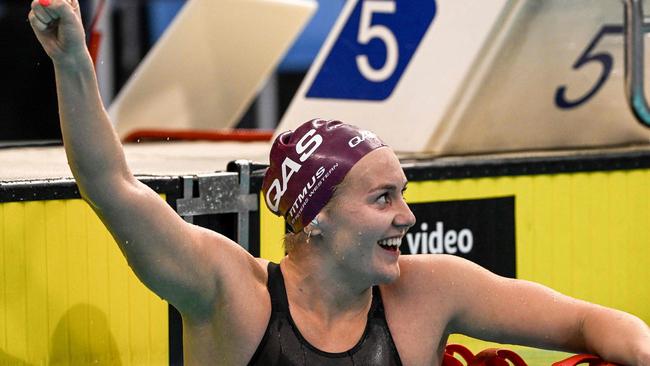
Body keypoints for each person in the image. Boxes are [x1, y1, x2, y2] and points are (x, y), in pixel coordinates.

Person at [28, 1, 650, 365]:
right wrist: (73, 62)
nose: (407, 216)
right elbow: (111, 185)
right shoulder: (233, 298)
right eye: (384, 198)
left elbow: (587, 323)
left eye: (402, 193)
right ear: (315, 216)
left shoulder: (428, 292)